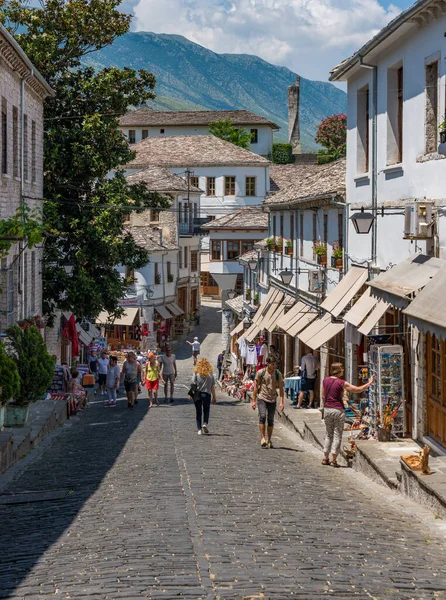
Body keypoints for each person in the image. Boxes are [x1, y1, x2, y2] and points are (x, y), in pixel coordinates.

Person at [322, 363, 374, 467]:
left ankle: (325, 458)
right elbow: (356, 389)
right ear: (338, 370)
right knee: (337, 434)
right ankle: (334, 460)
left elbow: (323, 396)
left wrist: (326, 406)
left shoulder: (325, 380)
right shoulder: (341, 382)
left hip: (327, 409)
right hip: (338, 409)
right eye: (342, 369)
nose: (343, 371)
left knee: (328, 434)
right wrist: (369, 383)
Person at [251, 356, 284, 448]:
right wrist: (253, 401)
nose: (274, 366)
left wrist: (281, 402)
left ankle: (269, 439)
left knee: (270, 420)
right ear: (268, 363)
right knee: (262, 416)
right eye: (272, 364)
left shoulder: (278, 374)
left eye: (275, 364)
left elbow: (281, 389)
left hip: (272, 399)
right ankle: (262, 438)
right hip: (262, 398)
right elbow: (255, 387)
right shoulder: (261, 373)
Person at [189, 358, 216, 435]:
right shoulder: (210, 374)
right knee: (206, 410)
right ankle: (205, 423)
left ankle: (199, 429)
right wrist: (214, 397)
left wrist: (191, 394)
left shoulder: (196, 373)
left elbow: (193, 384)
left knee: (198, 412)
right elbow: (212, 387)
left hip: (197, 394)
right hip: (206, 394)